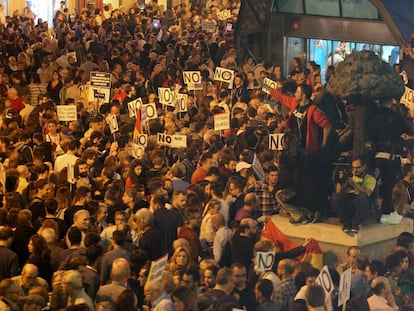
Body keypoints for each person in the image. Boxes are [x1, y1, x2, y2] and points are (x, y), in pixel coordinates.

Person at [331, 155, 377, 234]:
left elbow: (367, 193)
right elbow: (339, 193)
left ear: (364, 167)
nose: (355, 170)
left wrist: (354, 184)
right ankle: (346, 223)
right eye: (353, 168)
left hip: (361, 204)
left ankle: (357, 224)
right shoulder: (349, 176)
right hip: (349, 202)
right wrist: (341, 182)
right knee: (335, 197)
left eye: (358, 168)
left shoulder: (370, 178)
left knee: (362, 196)